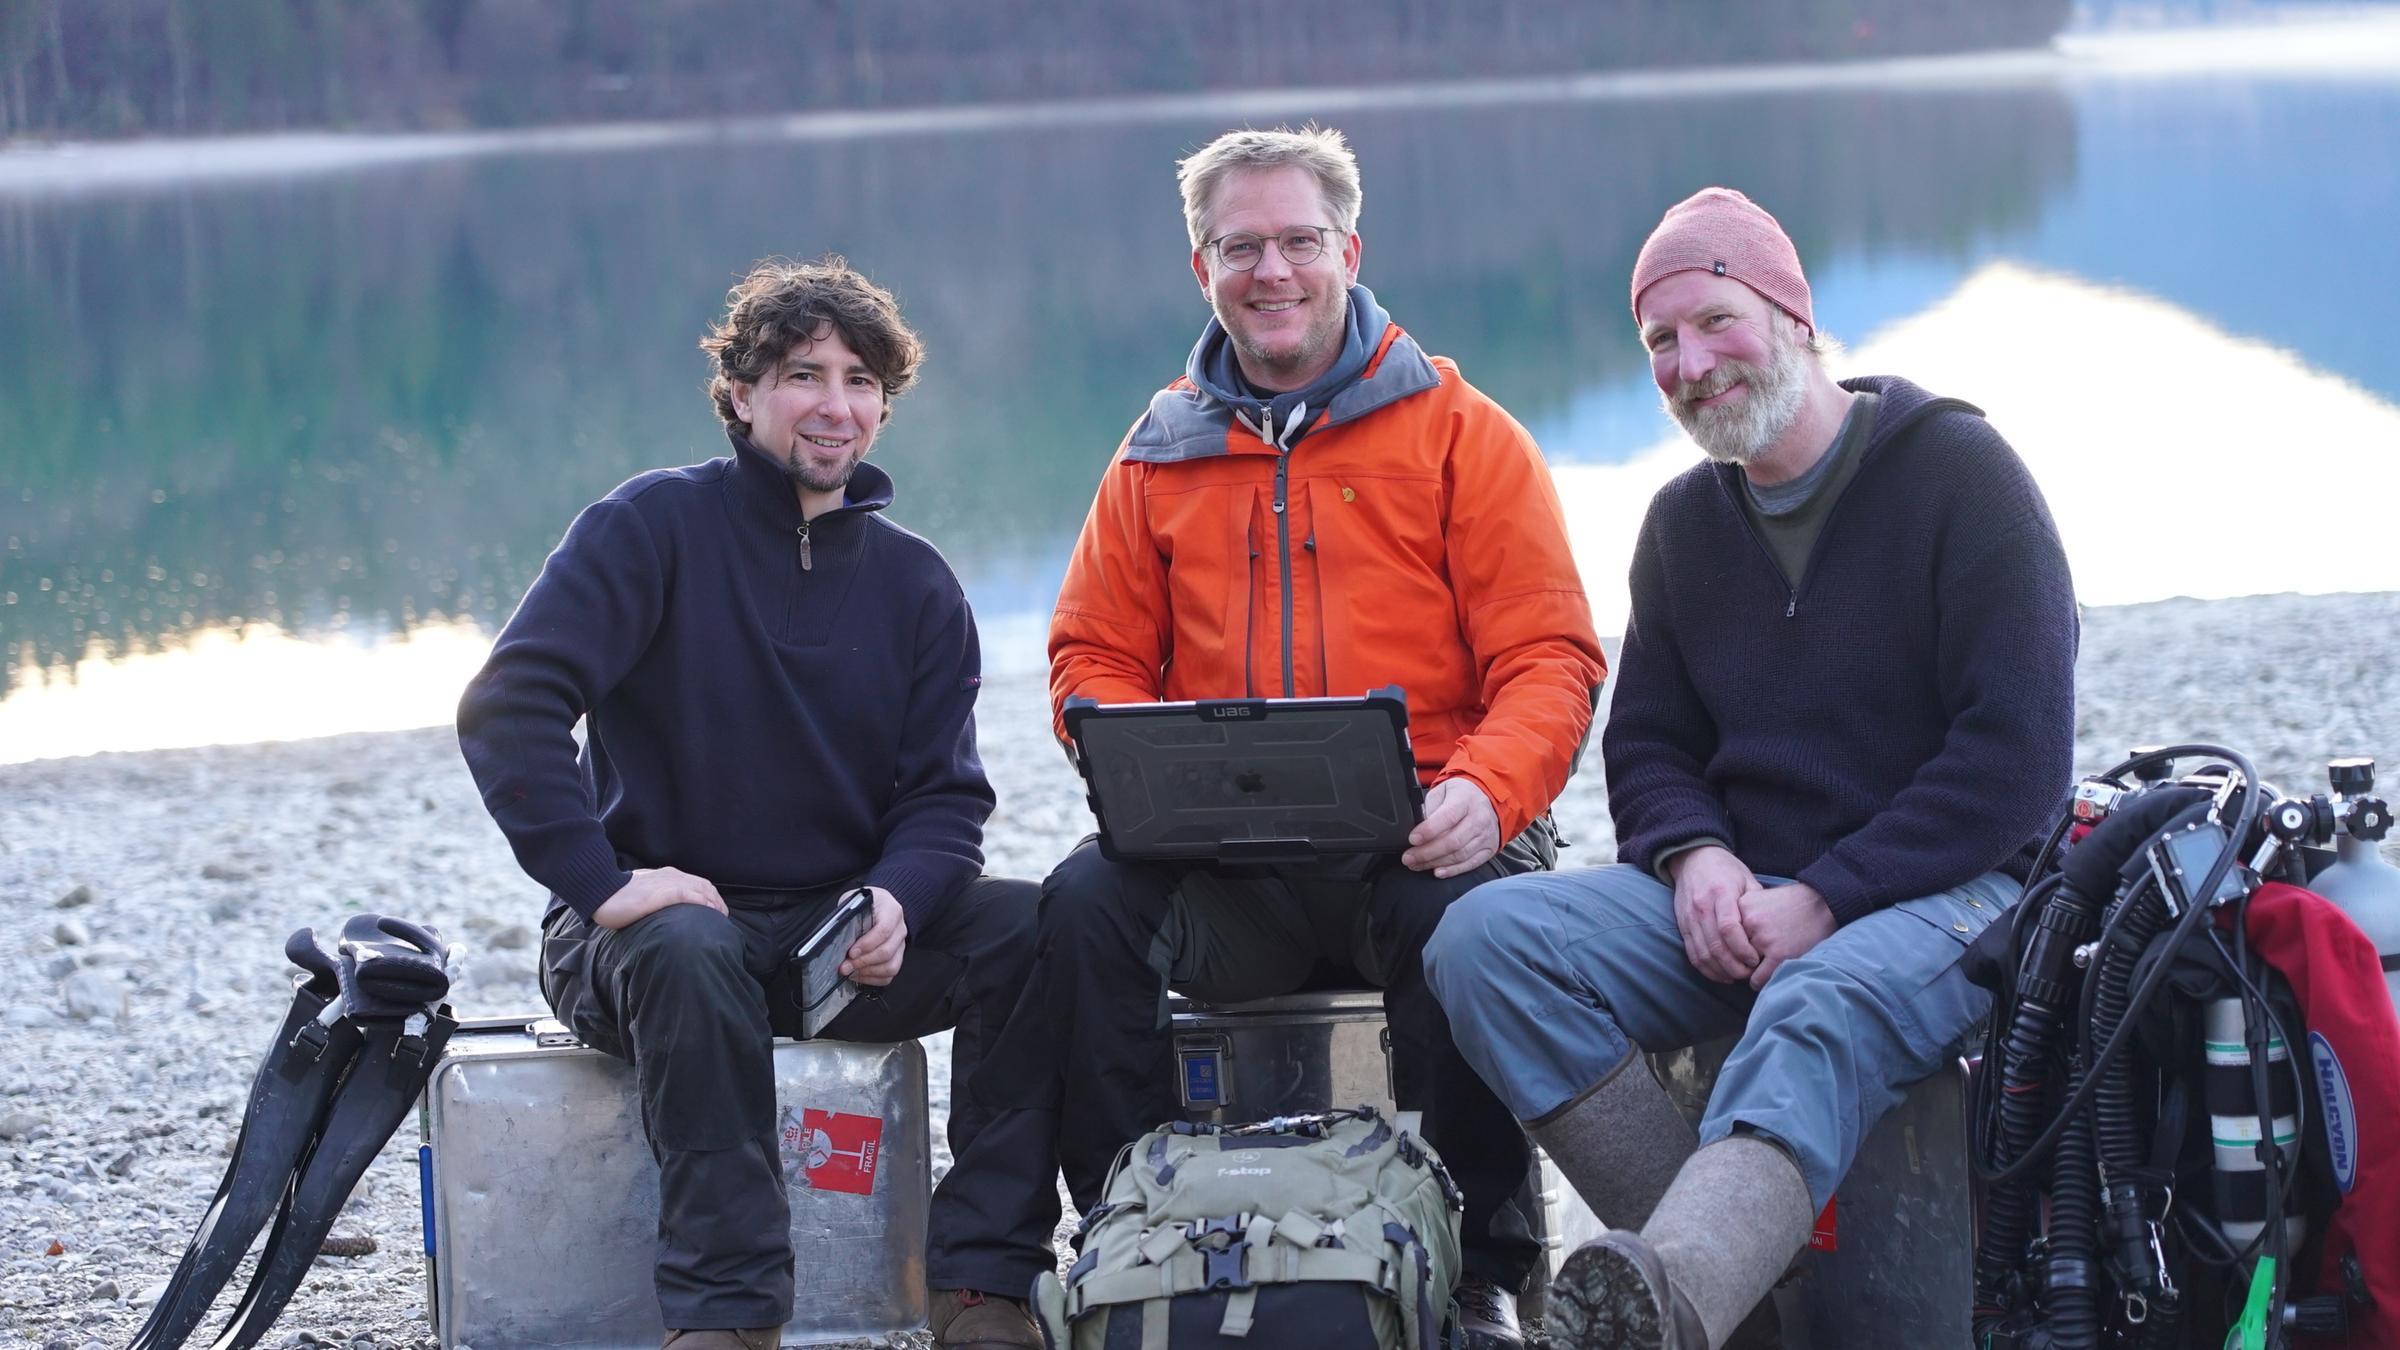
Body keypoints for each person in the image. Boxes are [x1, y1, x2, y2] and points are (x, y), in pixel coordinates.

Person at [921, 125, 1607, 1350]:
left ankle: (1487, 1272)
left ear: (1351, 249)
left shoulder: (1462, 433)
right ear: (1202, 269)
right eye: (1242, 248)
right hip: (1230, 871)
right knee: (1079, 907)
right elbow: (1090, 655)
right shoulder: (1157, 452)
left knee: (1470, 929)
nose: (1272, 271)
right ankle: (1138, 1230)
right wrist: (1125, 760)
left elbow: (1551, 659)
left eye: (1299, 242)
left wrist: (1491, 795)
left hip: (1428, 841)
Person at [1423, 188, 2079, 1350]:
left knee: (1816, 998)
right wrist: (1697, 858)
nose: (1689, 363)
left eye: (1714, 320)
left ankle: (1675, 1299)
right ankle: (1733, 1299)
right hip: (1742, 899)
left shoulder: (1960, 476)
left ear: (1790, 311)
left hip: (1951, 897)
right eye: (1660, 343)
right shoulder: (1682, 523)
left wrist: (1825, 897)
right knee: (1482, 942)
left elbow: (2014, 760)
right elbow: (1651, 744)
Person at [456, 256, 1039, 1350]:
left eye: (861, 380)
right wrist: (604, 883)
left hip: (833, 944)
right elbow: (510, 707)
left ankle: (983, 1285)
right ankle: (729, 1319)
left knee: (1035, 927)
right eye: (802, 374)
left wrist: (896, 898)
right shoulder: (649, 530)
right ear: (739, 394)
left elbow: (947, 801)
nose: (835, 405)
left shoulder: (917, 586)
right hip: (652, 943)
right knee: (687, 945)